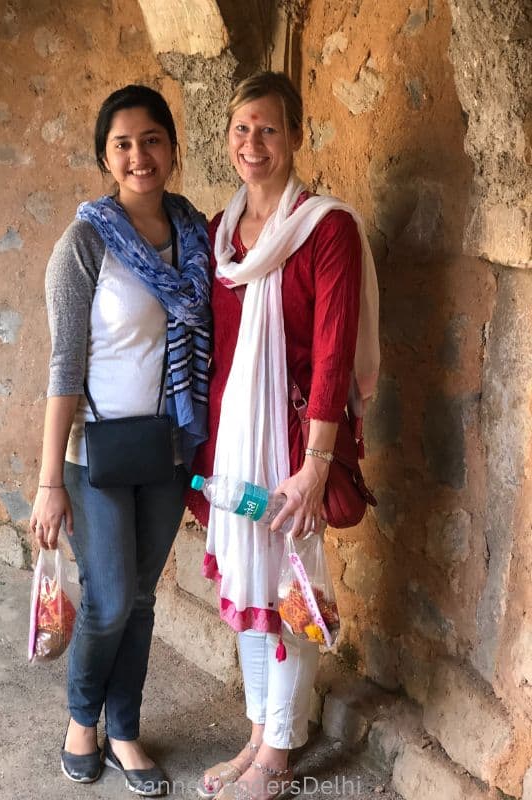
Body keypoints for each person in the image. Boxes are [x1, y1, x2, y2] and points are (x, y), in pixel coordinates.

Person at [187, 71, 379, 800]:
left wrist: (314, 465)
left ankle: (280, 752)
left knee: (293, 588)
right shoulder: (220, 233)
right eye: (241, 129)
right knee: (246, 580)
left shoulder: (326, 228)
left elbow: (333, 353)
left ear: (297, 136)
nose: (253, 143)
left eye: (269, 129)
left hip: (295, 445)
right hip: (232, 444)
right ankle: (261, 730)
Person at [30, 84, 211, 795]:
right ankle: (83, 720)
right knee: (107, 600)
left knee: (140, 598)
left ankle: (125, 728)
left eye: (152, 139)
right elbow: (62, 367)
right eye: (123, 144)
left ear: (172, 146)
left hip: (168, 451)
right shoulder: (84, 243)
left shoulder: (195, 233)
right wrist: (49, 484)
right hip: (93, 454)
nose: (140, 155)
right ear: (106, 157)